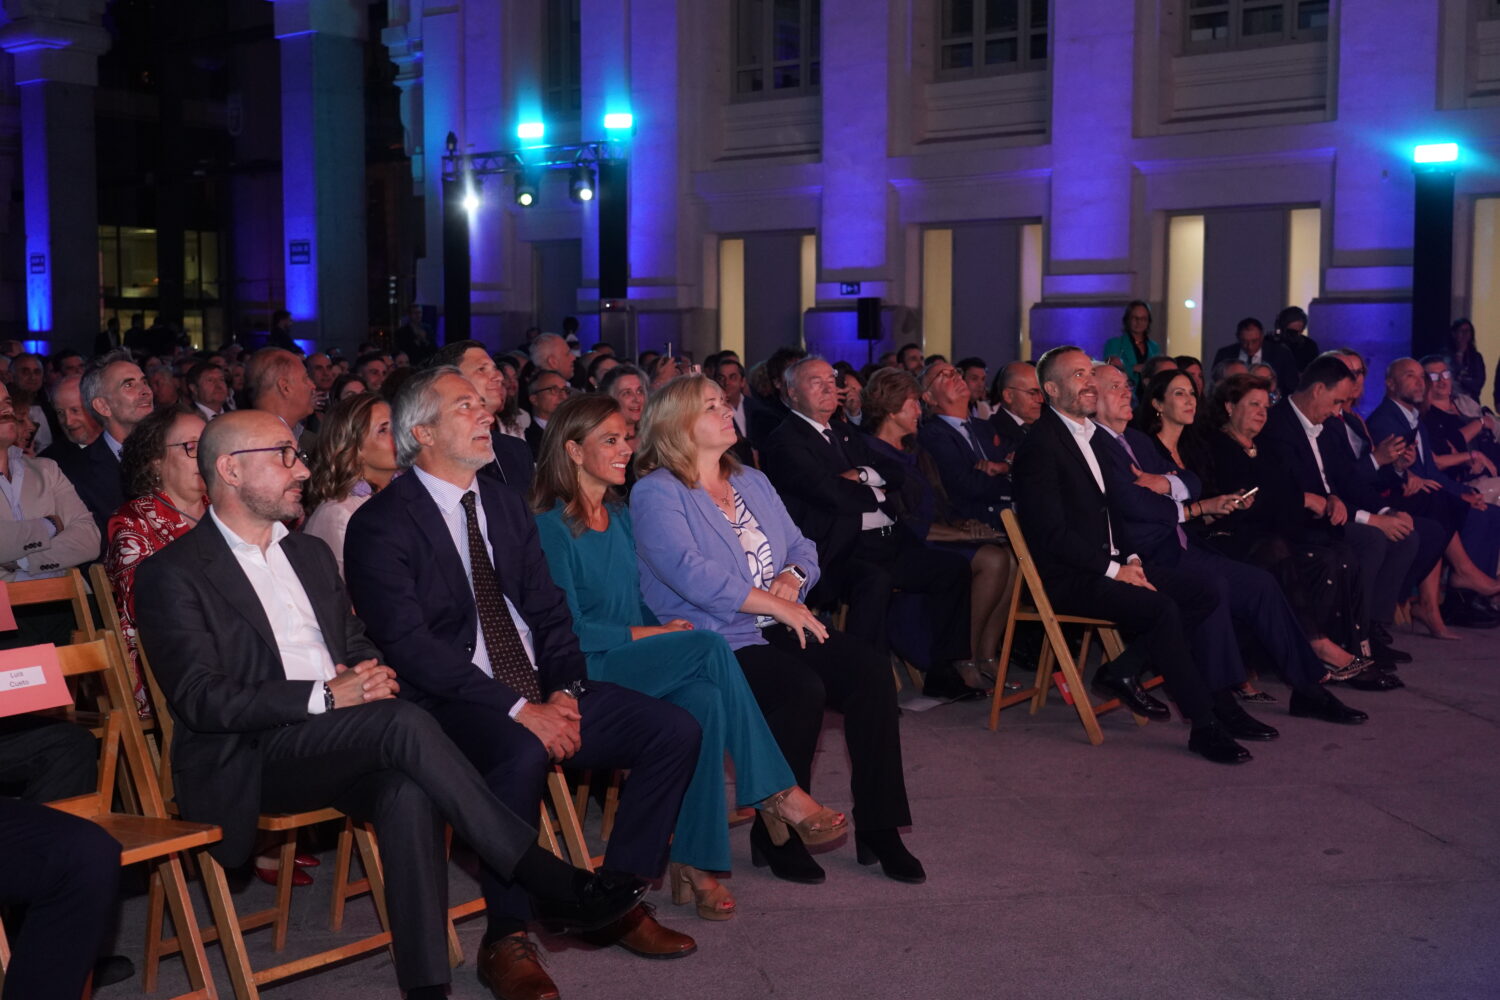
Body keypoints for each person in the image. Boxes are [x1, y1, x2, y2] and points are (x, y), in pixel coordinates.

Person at [135, 409, 650, 1000]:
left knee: (407, 790)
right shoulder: (172, 573)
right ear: (230, 469)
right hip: (252, 755)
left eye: (297, 455)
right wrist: (326, 694)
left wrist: (368, 672)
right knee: (405, 722)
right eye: (284, 456)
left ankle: (426, 987)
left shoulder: (308, 554)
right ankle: (544, 875)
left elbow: (354, 642)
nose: (302, 469)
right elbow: (201, 700)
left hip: (346, 735)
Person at [343, 367, 700, 996]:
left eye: (483, 404)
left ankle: (612, 902)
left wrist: (563, 692)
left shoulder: (504, 504)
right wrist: (518, 709)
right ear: (422, 432)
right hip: (453, 700)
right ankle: (506, 935)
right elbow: (412, 649)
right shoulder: (380, 523)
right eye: (465, 406)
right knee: (520, 749)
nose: (486, 413)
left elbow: (551, 614)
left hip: (538, 686)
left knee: (673, 730)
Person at [532, 393, 844, 921]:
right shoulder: (550, 526)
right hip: (585, 667)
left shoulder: (619, 515)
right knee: (709, 644)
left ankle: (695, 863)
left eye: (626, 438)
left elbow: (644, 597)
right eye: (610, 440)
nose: (626, 449)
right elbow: (567, 630)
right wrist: (649, 633)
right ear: (573, 451)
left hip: (634, 653)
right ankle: (776, 790)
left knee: (703, 701)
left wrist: (658, 629)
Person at [632, 374, 925, 884]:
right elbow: (689, 573)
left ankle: (880, 828)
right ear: (677, 425)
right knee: (799, 687)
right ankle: (777, 834)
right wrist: (777, 604)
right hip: (714, 638)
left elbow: (802, 545)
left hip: (776, 621)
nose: (727, 411)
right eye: (711, 406)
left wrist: (793, 576)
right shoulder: (657, 491)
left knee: (870, 671)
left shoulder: (751, 480)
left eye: (724, 403)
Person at [1090, 362, 1374, 729]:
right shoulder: (1098, 445)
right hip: (1149, 555)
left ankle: (1308, 689)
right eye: (1115, 387)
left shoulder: (1137, 441)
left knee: (1262, 583)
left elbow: (1191, 480)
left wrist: (1166, 483)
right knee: (1220, 585)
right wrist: (1189, 503)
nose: (1127, 391)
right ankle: (1222, 705)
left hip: (1183, 544)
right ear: (1092, 398)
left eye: (1126, 385)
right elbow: (1134, 503)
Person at [1011, 347, 1251, 764]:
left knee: (1205, 592)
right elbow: (1052, 535)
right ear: (1051, 389)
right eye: (1078, 375)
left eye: (1090, 374)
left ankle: (1122, 669)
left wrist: (1133, 560)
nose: (1089, 382)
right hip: (1071, 576)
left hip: (1110, 564)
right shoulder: (1041, 446)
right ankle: (1204, 725)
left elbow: (1115, 513)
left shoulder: (1093, 437)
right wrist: (1114, 570)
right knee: (1162, 609)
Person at [762, 359, 978, 700]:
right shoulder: (784, 440)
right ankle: (865, 686)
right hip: (837, 550)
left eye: (831, 379)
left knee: (952, 569)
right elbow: (829, 493)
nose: (829, 387)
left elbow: (894, 472)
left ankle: (941, 670)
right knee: (874, 582)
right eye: (816, 381)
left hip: (888, 540)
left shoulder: (842, 432)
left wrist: (862, 475)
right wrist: (874, 489)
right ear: (791, 392)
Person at [864, 368, 1011, 680]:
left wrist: (965, 525)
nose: (920, 412)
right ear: (891, 410)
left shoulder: (915, 451)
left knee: (1011, 559)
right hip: (905, 543)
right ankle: (963, 657)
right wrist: (959, 535)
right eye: (913, 404)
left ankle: (985, 653)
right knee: (994, 559)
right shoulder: (873, 453)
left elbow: (940, 502)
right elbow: (903, 521)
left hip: (933, 532)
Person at [1369, 358, 1500, 636]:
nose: (1420, 382)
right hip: (1393, 496)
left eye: (1421, 377)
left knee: (1482, 508)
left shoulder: (1416, 420)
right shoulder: (1385, 419)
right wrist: (1456, 494)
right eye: (1411, 376)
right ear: (1390, 384)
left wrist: (1465, 492)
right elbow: (1400, 473)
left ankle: (1464, 598)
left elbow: (1431, 472)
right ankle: (1459, 581)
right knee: (1441, 504)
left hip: (1423, 491)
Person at [105, 407, 209, 715]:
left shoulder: (226, 510)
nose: (206, 455)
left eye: (209, 445)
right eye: (192, 447)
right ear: (155, 459)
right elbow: (151, 612)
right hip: (170, 660)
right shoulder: (133, 522)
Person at [55, 351, 153, 543]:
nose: (145, 391)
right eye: (129, 385)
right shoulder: (76, 475)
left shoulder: (174, 450)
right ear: (103, 406)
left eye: (144, 382)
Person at [302, 393, 398, 579]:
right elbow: (342, 589)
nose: (400, 435)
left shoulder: (407, 494)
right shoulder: (339, 514)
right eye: (383, 430)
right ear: (353, 448)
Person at [918, 360, 1013, 530]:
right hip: (976, 524)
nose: (956, 377)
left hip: (1008, 516)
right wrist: (1019, 483)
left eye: (956, 372)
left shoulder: (984, 427)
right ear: (929, 397)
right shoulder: (932, 434)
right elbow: (967, 485)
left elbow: (1016, 459)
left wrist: (1004, 467)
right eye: (945, 375)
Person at [430, 340, 534, 491]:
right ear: (449, 380)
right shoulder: (434, 453)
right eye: (482, 369)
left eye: (495, 369)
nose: (499, 377)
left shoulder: (517, 451)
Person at [246, 348, 319, 449]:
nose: (313, 386)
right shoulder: (248, 446)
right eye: (305, 379)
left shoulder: (310, 443)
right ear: (285, 387)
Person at [1211, 317, 1299, 396]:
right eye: (1244, 341)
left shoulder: (1281, 354)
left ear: (1262, 337)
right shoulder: (1225, 354)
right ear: (1238, 337)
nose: (1249, 346)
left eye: (1254, 341)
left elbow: (1291, 386)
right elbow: (1216, 385)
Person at [38, 373, 101, 461]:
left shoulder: (118, 441)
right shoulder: (49, 462)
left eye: (75, 410)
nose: (68, 422)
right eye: (60, 412)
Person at [988, 361, 1042, 456]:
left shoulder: (1044, 426)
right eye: (1032, 393)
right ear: (1009, 396)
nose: (1041, 400)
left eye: (1042, 393)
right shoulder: (992, 432)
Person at [1102, 300, 1161, 387]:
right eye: (1135, 318)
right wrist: (1133, 368)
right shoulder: (1114, 344)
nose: (1139, 322)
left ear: (1148, 321)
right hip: (1125, 389)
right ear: (1127, 319)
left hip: (1149, 391)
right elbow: (1108, 371)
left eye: (1143, 319)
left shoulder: (1154, 347)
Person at [713, 356, 756, 466]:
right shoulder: (713, 414)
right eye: (721, 378)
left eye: (732, 377)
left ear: (742, 382)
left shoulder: (759, 409)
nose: (726, 382)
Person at [600, 363, 647, 445]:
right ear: (610, 398)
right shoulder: (603, 442)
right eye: (627, 393)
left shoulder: (653, 437)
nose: (637, 399)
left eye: (640, 391)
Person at [1271, 306, 1319, 372]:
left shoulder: (1309, 345)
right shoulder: (1270, 343)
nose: (1296, 335)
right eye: (1292, 332)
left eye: (1300, 331)